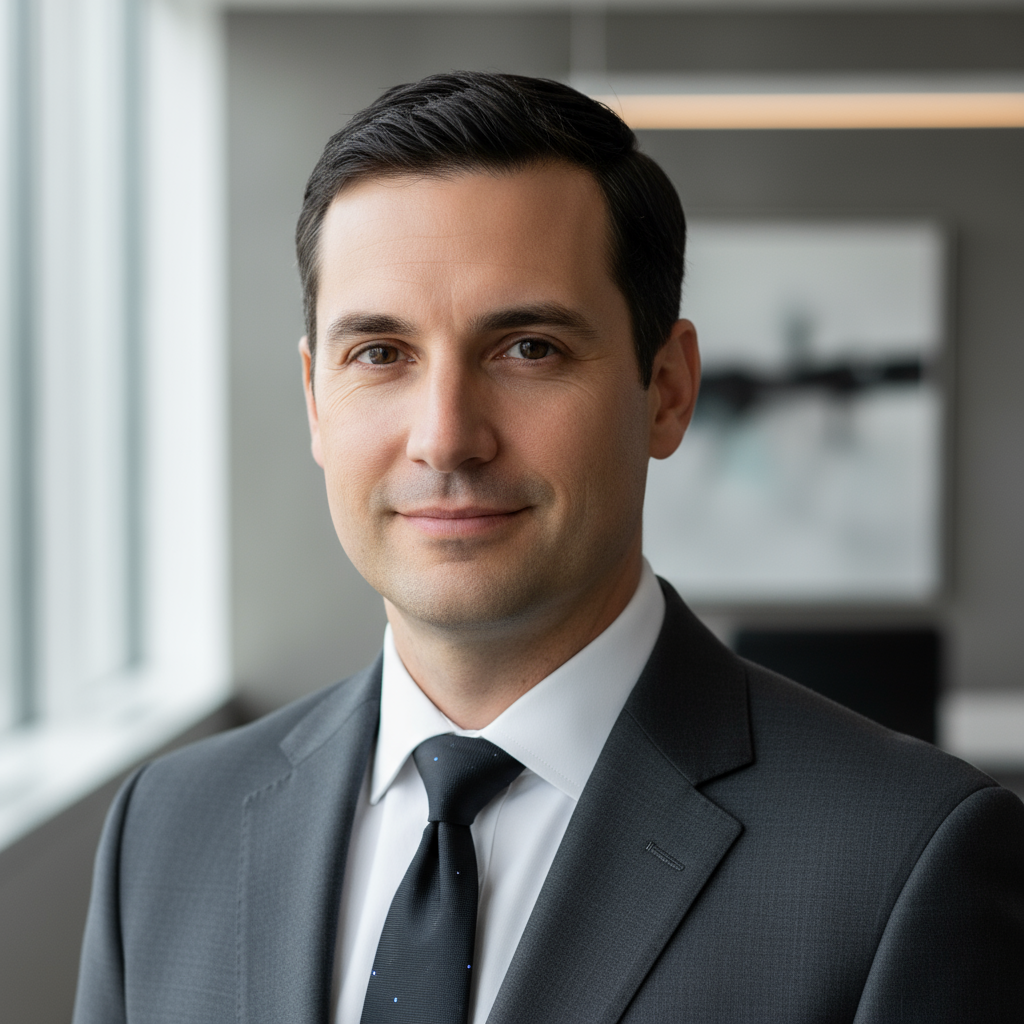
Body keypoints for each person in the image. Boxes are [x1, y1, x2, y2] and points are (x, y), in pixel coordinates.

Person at [73, 72, 1024, 1024]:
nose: (445, 437)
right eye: (380, 353)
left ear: (667, 390)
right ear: (317, 398)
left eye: (528, 348)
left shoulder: (905, 860)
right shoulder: (164, 827)